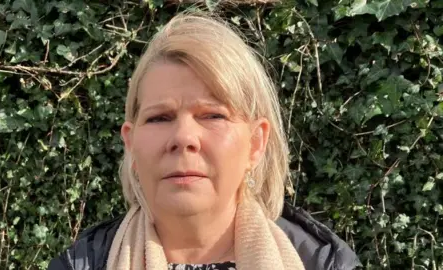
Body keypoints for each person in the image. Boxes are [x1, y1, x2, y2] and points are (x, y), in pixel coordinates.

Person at [48, 12, 361, 270]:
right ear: (130, 143)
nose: (183, 138)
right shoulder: (80, 264)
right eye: (159, 117)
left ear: (255, 143)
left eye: (213, 115)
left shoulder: (325, 263)